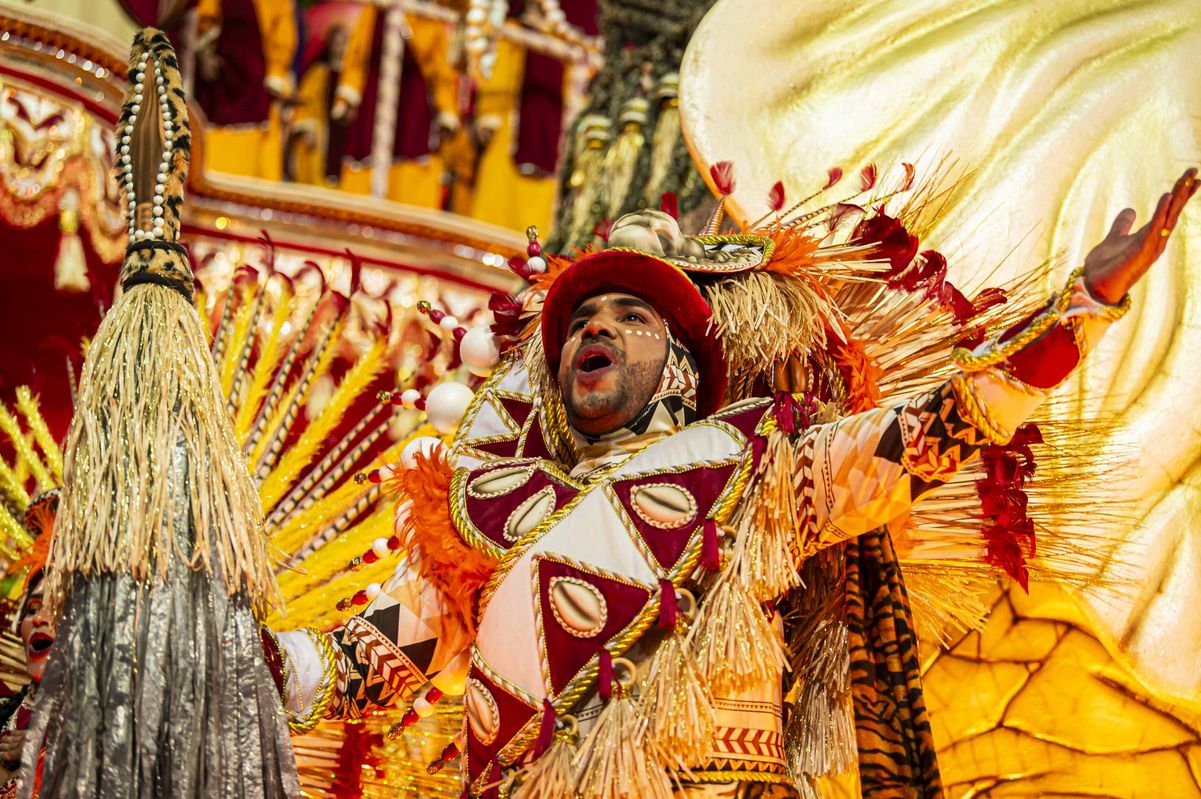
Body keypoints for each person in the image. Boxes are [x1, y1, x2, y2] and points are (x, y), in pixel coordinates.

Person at [267, 165, 1198, 798]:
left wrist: (1085, 306)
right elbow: (362, 665)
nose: (593, 327)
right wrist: (242, 653)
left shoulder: (756, 459)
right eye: (579, 318)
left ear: (677, 365)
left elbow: (935, 430)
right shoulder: (485, 512)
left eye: (627, 314)